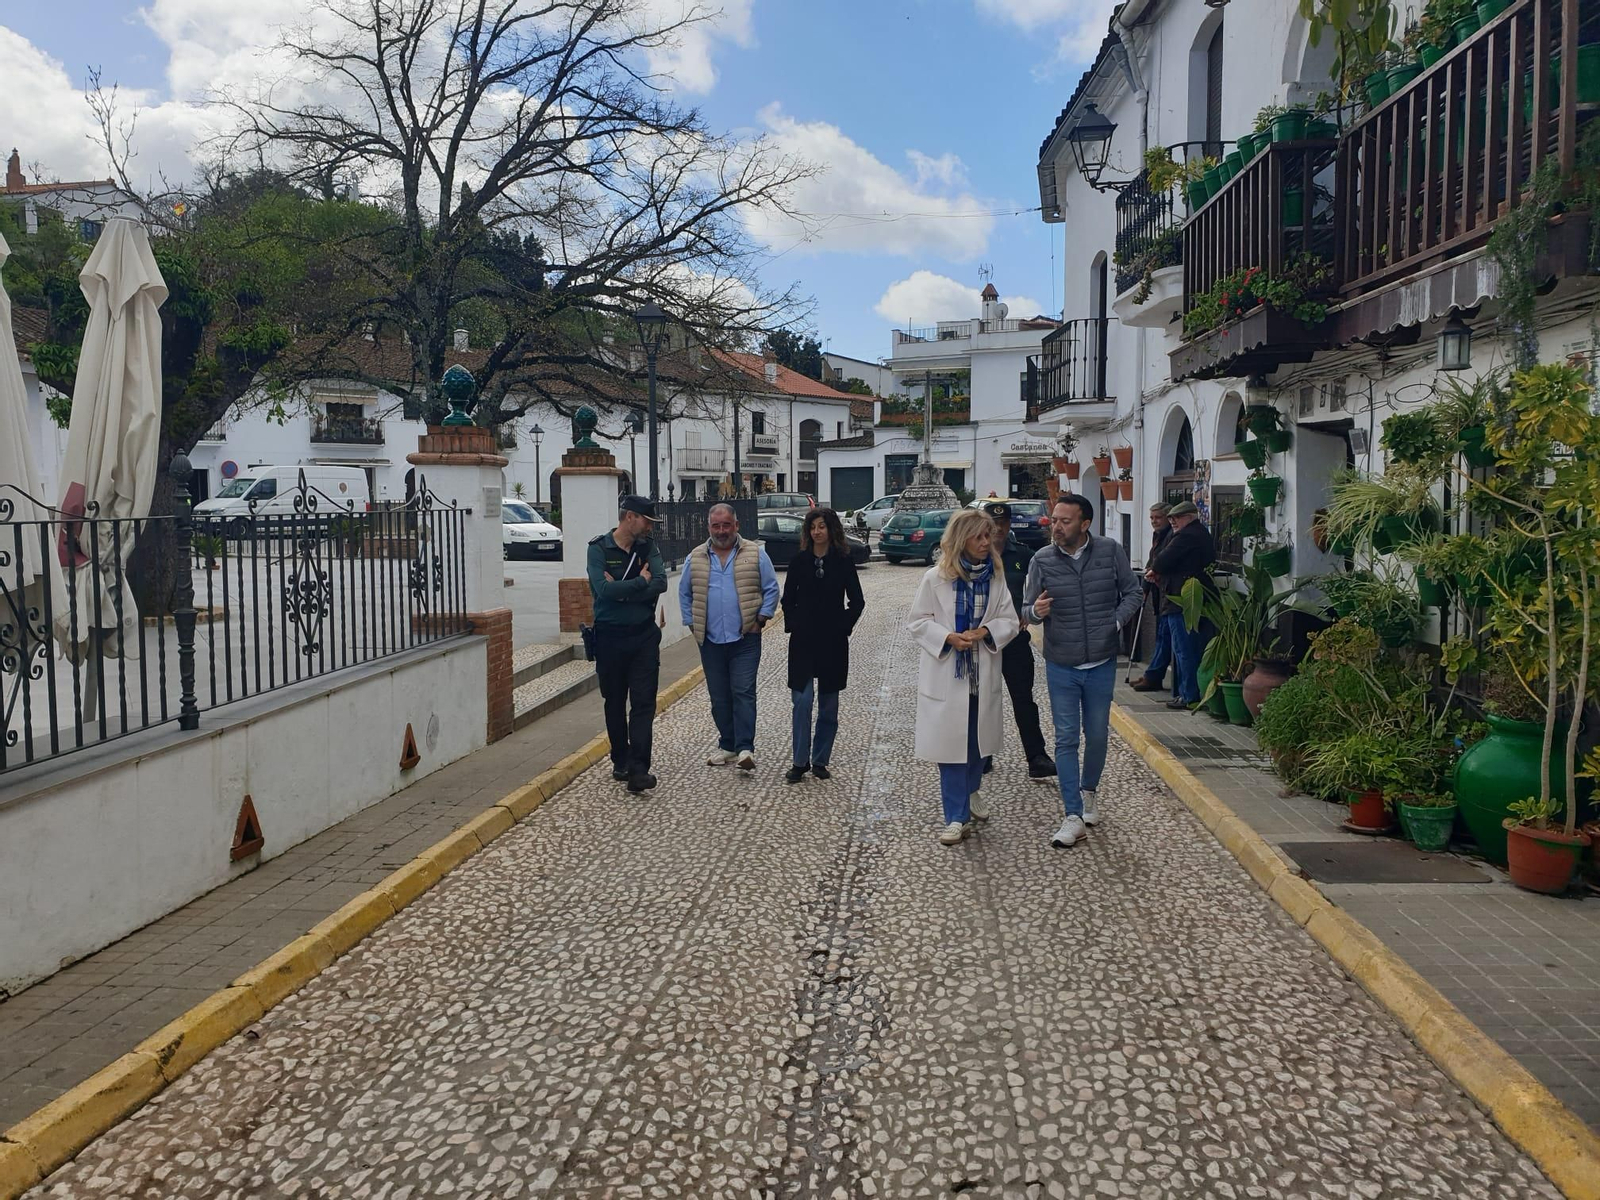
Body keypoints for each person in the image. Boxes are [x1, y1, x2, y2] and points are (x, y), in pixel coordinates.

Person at [1023, 493, 1143, 849]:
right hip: (1061, 663)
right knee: (1065, 738)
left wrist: (1115, 623)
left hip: (1102, 662)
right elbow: (1026, 608)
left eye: (1064, 521)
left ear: (1085, 524)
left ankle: (1089, 791)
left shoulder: (1110, 552)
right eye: (1054, 520)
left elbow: (1133, 593)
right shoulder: (1041, 559)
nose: (1055, 527)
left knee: (1098, 736)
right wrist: (1036, 613)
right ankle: (1072, 814)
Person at [907, 507, 1020, 846]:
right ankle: (956, 818)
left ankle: (971, 791)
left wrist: (986, 630)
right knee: (951, 750)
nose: (987, 542)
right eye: (980, 536)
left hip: (981, 675)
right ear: (961, 539)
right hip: (948, 674)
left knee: (978, 747)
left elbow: (1010, 621)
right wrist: (948, 638)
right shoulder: (935, 579)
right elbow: (917, 621)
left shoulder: (996, 578)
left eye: (989, 536)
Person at [679, 502, 780, 770]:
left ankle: (745, 748)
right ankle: (727, 745)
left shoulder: (755, 554)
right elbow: (685, 593)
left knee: (743, 691)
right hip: (710, 640)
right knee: (719, 696)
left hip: (745, 638)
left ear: (736, 525)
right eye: (716, 525)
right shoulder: (695, 557)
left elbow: (771, 589)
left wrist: (761, 619)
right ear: (709, 527)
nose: (721, 531)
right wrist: (691, 623)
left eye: (726, 525)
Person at [586, 495, 669, 793]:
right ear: (630, 517)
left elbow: (661, 582)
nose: (650, 527)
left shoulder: (649, 548)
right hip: (610, 637)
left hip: (643, 636)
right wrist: (639, 583)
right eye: (647, 521)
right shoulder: (598, 549)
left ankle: (639, 769)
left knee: (644, 703)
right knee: (615, 701)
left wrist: (624, 589)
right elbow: (603, 590)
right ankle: (620, 758)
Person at [780, 508, 866, 784]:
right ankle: (799, 761)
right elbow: (787, 600)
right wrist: (795, 623)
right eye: (813, 528)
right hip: (803, 642)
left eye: (822, 527)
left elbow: (857, 601)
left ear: (831, 530)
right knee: (802, 702)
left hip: (832, 643)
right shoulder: (798, 562)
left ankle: (820, 759)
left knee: (829, 704)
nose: (817, 532)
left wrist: (843, 625)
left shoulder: (843, 561)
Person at [982, 502, 1055, 781]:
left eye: (1003, 523)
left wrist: (1029, 610)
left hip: (1014, 640)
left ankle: (1036, 757)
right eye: (993, 523)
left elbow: (1039, 586)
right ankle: (982, 754)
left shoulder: (1023, 555)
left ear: (1010, 525)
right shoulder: (975, 555)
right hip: (984, 642)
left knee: (1024, 699)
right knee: (984, 700)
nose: (999, 528)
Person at [1145, 500, 1217, 710]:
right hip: (1190, 599)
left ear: (1189, 517)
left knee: (1185, 650)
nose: (1173, 522)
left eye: (1176, 518)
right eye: (1171, 519)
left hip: (1183, 601)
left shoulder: (1187, 535)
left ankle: (1188, 695)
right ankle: (1187, 692)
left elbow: (1163, 559)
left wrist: (1154, 570)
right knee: (1186, 648)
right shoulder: (1198, 533)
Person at [1129, 502, 1174, 694]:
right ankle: (1153, 675)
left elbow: (1163, 561)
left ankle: (1153, 675)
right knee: (1162, 637)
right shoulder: (1158, 536)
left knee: (1164, 637)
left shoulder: (1172, 535)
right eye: (1152, 518)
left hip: (1169, 594)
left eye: (1158, 518)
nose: (1154, 522)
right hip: (1159, 591)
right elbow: (1152, 560)